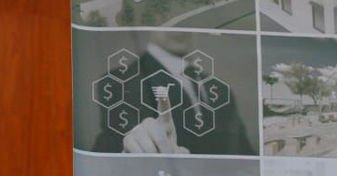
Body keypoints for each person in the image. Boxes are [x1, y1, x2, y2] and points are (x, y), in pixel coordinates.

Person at [92, 30, 256, 156]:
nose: (178, 30)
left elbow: (244, 152)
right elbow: (117, 145)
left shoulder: (219, 88)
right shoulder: (120, 81)